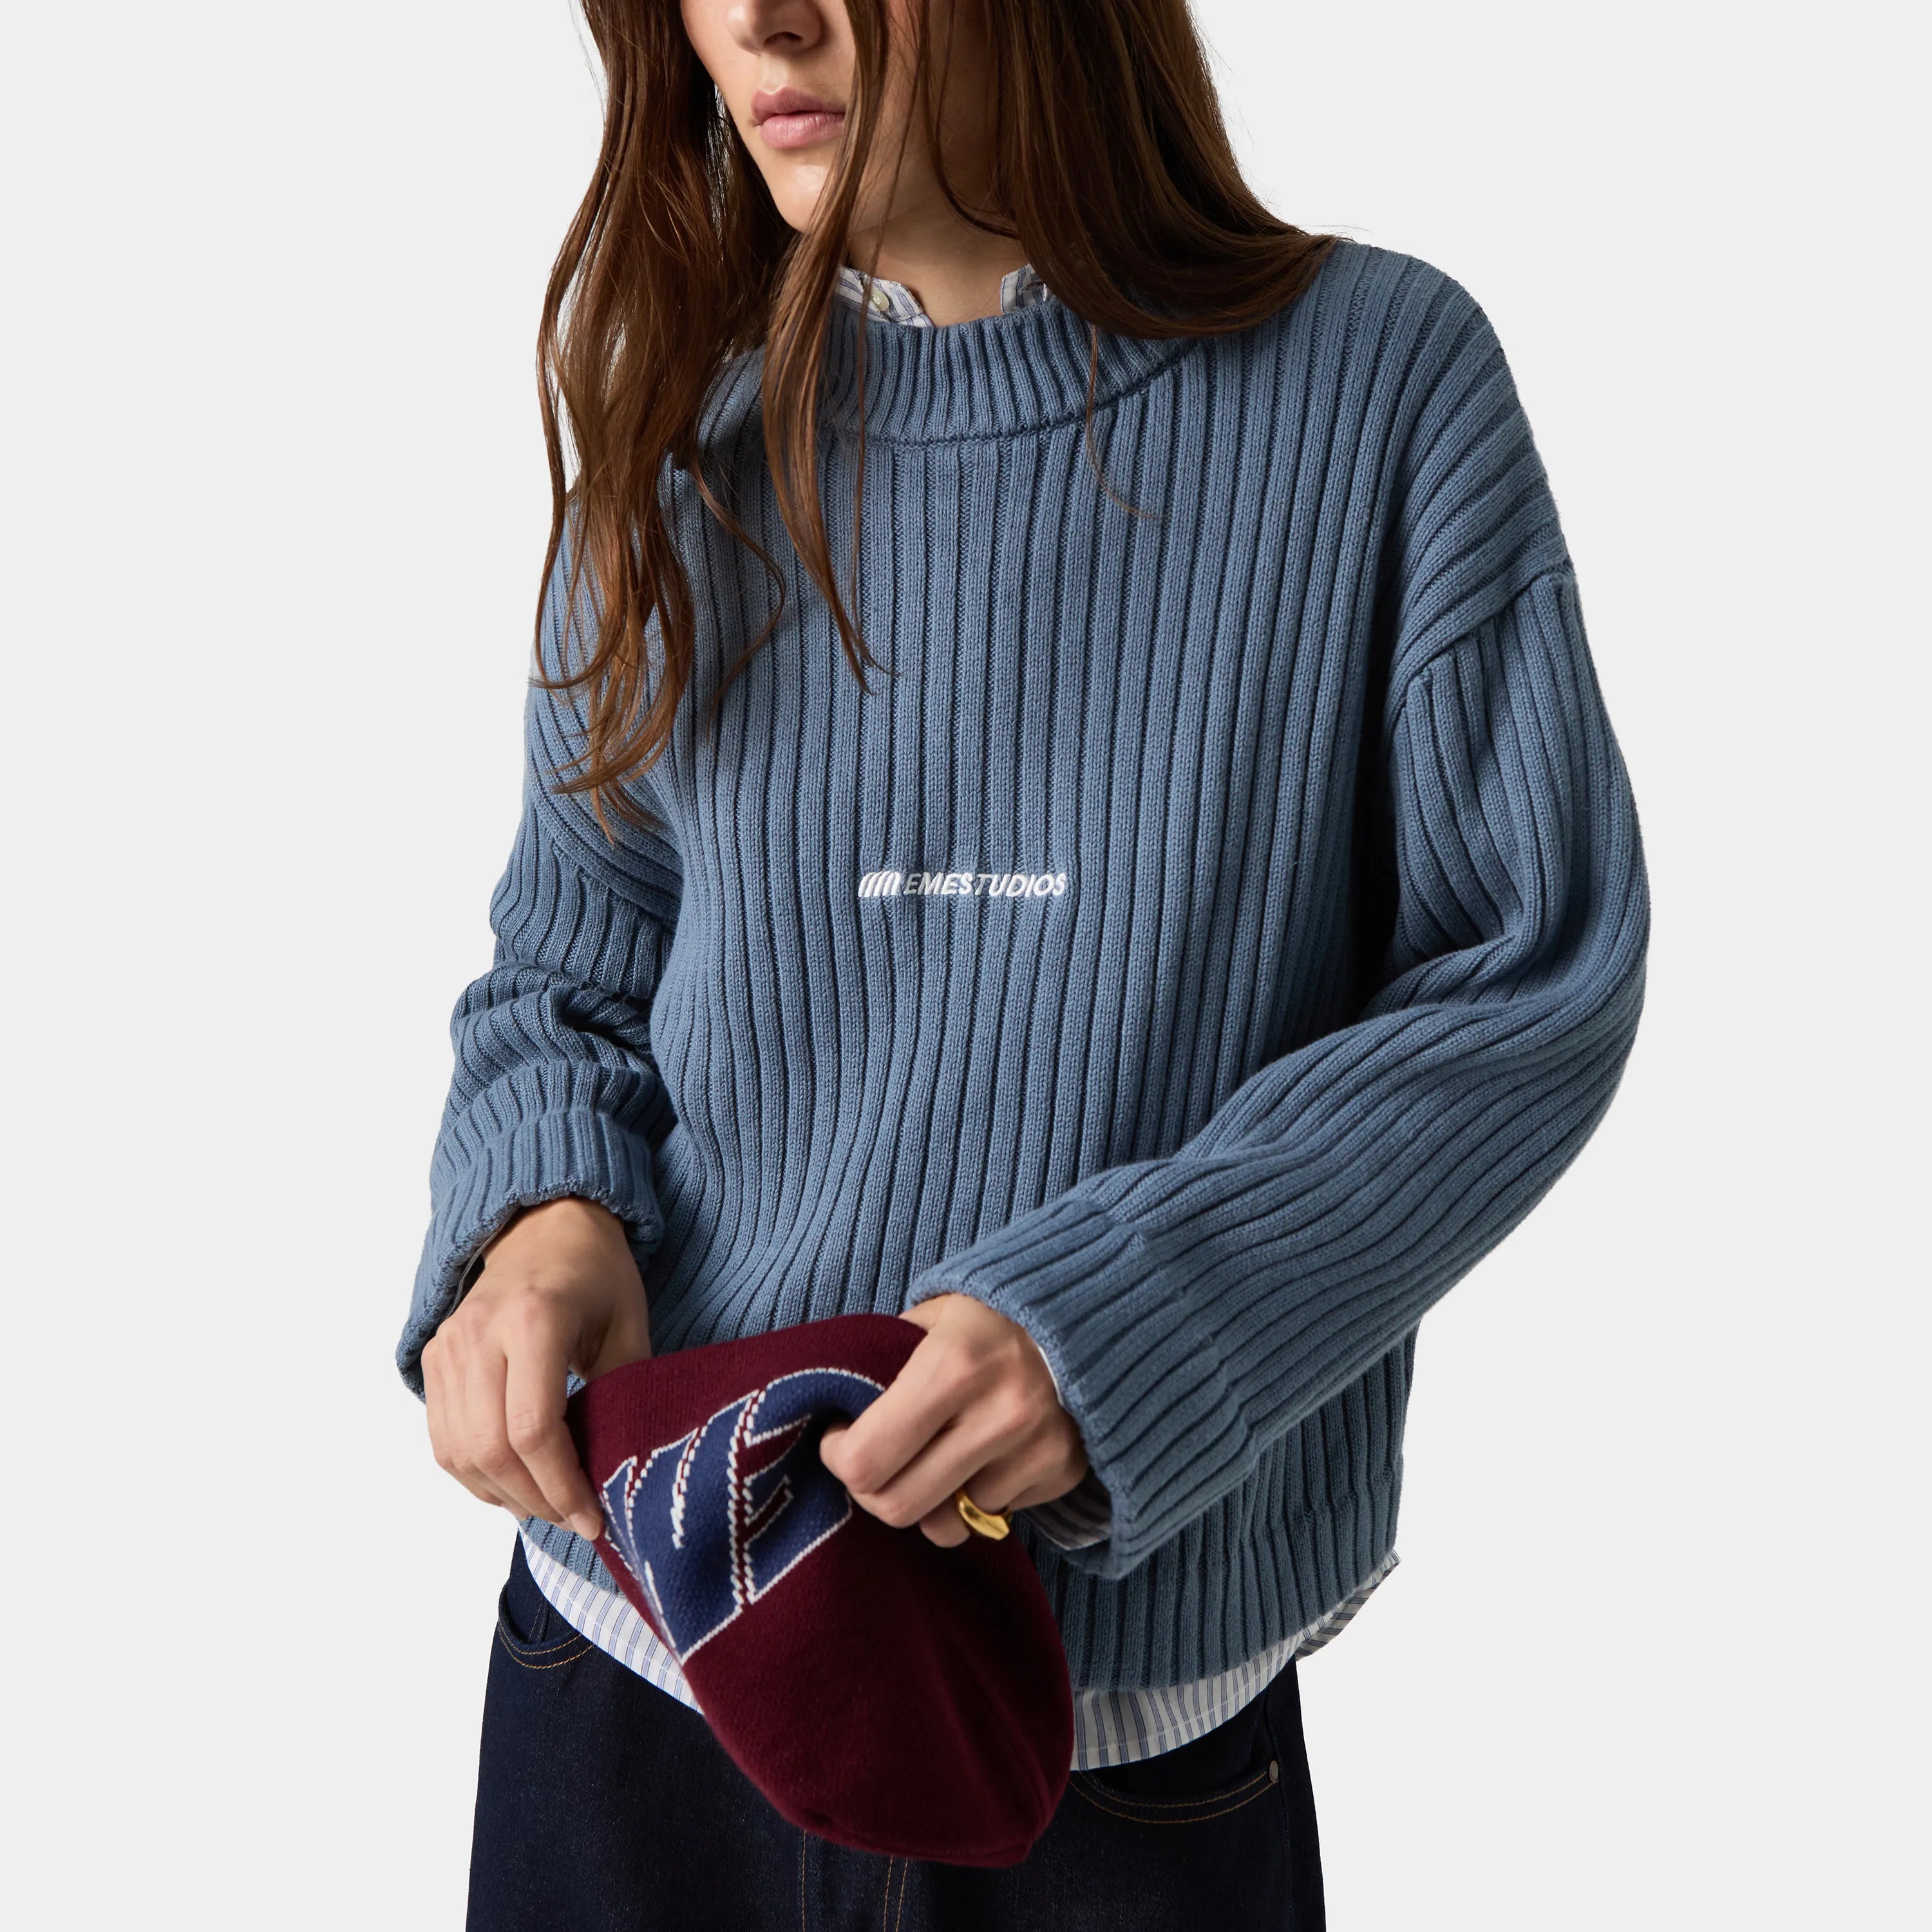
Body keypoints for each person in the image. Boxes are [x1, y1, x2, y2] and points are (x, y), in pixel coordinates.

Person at [394, 1, 1651, 1926]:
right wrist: (542, 1220)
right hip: (637, 1670)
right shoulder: (680, 432)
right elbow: (567, 969)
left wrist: (1117, 1330)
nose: (760, 19)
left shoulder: (1381, 386)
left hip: (1106, 1744)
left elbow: (1527, 977)